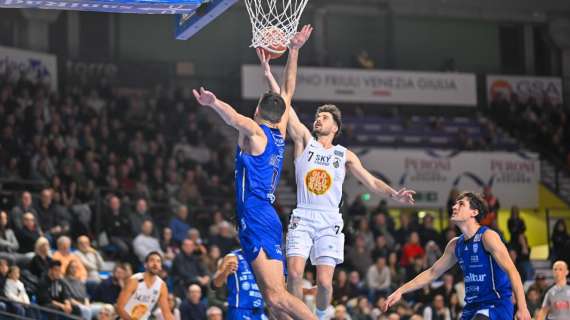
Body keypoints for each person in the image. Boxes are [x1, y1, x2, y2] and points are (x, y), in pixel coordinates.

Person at [261, 36, 415, 319]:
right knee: (294, 274)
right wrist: (278, 66)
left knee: (325, 283)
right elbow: (284, 102)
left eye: (324, 117)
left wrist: (394, 193)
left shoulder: (344, 155)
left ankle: (320, 314)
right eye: (318, 116)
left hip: (330, 219)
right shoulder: (304, 140)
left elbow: (370, 182)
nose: (318, 119)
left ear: (335, 126)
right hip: (303, 215)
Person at [192, 25, 315, 320]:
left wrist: (213, 102)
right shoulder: (280, 130)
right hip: (263, 215)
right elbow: (287, 89)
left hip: (257, 215)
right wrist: (293, 51)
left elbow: (235, 118)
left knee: (276, 297)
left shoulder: (256, 132)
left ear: (258, 110)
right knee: (274, 303)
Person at [384, 191, 531, 320]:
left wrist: (522, 308)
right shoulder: (455, 245)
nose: (454, 207)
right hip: (471, 307)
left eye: (461, 204)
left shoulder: (488, 237)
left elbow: (512, 271)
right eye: (455, 204)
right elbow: (432, 273)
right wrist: (401, 290)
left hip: (496, 306)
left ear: (474, 212)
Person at [117, 251, 173, 320]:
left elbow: (167, 313)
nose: (155, 264)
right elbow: (119, 307)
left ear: (160, 267)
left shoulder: (162, 286)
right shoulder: (134, 280)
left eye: (158, 261)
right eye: (152, 260)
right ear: (145, 265)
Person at [212, 249, 265, 319]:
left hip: (259, 311)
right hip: (240, 309)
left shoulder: (264, 259)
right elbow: (214, 285)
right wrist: (225, 272)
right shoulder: (233, 257)